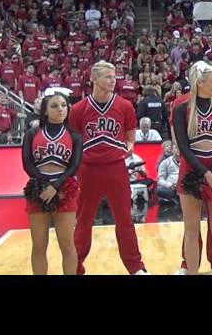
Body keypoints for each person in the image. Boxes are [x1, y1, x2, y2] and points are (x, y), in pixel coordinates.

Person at [69, 60, 148, 275]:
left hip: (116, 167)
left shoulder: (124, 106)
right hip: (88, 169)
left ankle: (135, 267)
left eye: (114, 77)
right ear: (93, 78)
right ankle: (75, 267)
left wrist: (129, 147)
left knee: (125, 219)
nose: (113, 80)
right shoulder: (78, 109)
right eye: (107, 76)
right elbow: (74, 142)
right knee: (83, 221)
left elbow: (131, 135)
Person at [173, 62, 212, 275]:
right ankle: (191, 271)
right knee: (191, 227)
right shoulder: (182, 108)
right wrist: (205, 173)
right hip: (192, 171)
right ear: (199, 83)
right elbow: (183, 146)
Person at [22, 89, 82, 275]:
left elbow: (74, 166)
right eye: (55, 106)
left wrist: (55, 187)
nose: (60, 109)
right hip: (38, 190)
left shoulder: (75, 136)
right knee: (39, 245)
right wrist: (43, 185)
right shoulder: (32, 133)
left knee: (67, 244)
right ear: (45, 110)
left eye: (64, 105)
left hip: (64, 190)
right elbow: (27, 163)